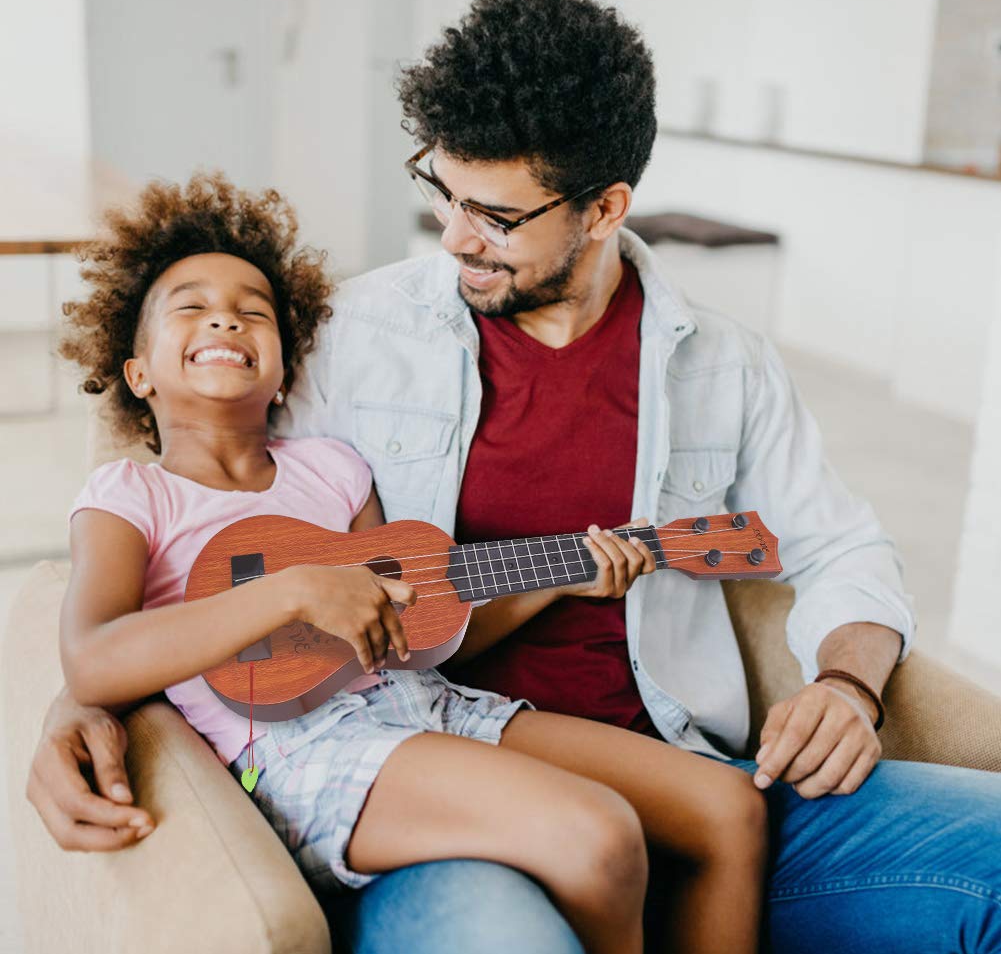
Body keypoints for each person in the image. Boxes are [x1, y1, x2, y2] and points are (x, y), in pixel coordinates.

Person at [28, 0, 1001, 954]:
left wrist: (846, 682)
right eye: (440, 192)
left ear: (603, 206)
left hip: (684, 766)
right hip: (433, 797)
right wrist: (81, 698)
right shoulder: (351, 337)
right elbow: (194, 507)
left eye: (493, 215)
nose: (452, 236)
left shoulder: (723, 364)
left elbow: (841, 546)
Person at [50, 170, 767, 954]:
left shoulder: (333, 469)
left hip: (427, 703)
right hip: (292, 750)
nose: (226, 317)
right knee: (599, 836)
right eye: (192, 306)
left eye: (254, 311)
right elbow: (93, 659)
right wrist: (291, 593)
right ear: (138, 372)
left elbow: (418, 624)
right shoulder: (129, 495)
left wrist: (562, 573)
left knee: (727, 805)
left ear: (285, 370)